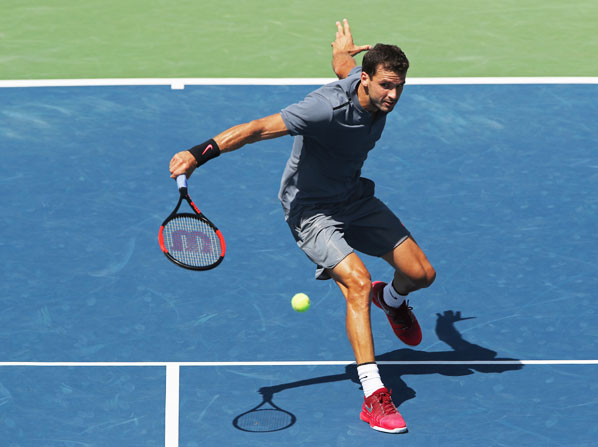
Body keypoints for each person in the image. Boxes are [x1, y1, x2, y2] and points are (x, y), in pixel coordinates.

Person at [169, 19, 436, 433]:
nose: (393, 95)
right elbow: (258, 129)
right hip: (311, 211)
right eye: (386, 85)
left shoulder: (362, 81)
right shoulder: (322, 108)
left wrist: (343, 52)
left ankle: (395, 301)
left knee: (422, 274)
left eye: (399, 86)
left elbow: (342, 65)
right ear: (366, 80)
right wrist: (197, 154)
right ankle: (374, 395)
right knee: (358, 283)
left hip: (354, 197)